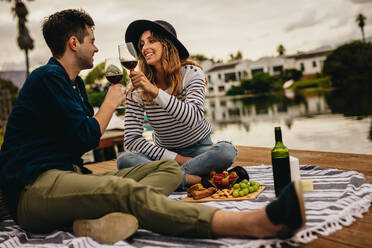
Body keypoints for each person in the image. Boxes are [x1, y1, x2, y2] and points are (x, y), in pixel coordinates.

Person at [0, 9, 306, 244]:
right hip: (33, 188)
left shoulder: (75, 85)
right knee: (122, 184)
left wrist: (151, 96)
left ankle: (91, 220)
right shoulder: (46, 78)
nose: (96, 47)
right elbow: (89, 137)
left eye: (151, 40)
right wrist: (110, 103)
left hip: (68, 176)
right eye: (92, 40)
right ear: (73, 42)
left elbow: (79, 137)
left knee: (170, 172)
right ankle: (251, 223)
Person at [117, 20, 238, 189]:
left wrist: (154, 91)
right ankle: (197, 180)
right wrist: (175, 159)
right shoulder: (137, 88)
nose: (144, 48)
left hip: (199, 150)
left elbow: (194, 117)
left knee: (226, 151)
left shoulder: (191, 73)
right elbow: (132, 139)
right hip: (164, 154)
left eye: (152, 41)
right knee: (125, 160)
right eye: (142, 44)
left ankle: (169, 178)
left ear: (168, 44)